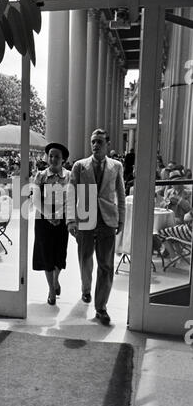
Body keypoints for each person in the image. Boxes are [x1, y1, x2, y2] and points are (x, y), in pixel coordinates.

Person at [67, 129, 125, 325]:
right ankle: (86, 288)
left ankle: (101, 308)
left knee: (106, 265)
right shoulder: (79, 166)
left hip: (108, 220)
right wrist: (71, 220)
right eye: (93, 141)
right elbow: (70, 193)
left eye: (100, 141)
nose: (95, 145)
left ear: (107, 143)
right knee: (85, 258)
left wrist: (121, 219)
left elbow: (121, 194)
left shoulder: (116, 166)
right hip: (85, 219)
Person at [32, 142, 70, 305]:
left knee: (60, 253)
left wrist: (59, 214)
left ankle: (56, 280)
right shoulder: (40, 176)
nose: (53, 159)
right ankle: (51, 289)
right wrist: (48, 215)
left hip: (63, 218)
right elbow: (35, 199)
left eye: (57, 156)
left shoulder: (69, 176)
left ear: (63, 160)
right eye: (51, 155)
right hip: (43, 218)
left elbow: (71, 198)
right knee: (46, 253)